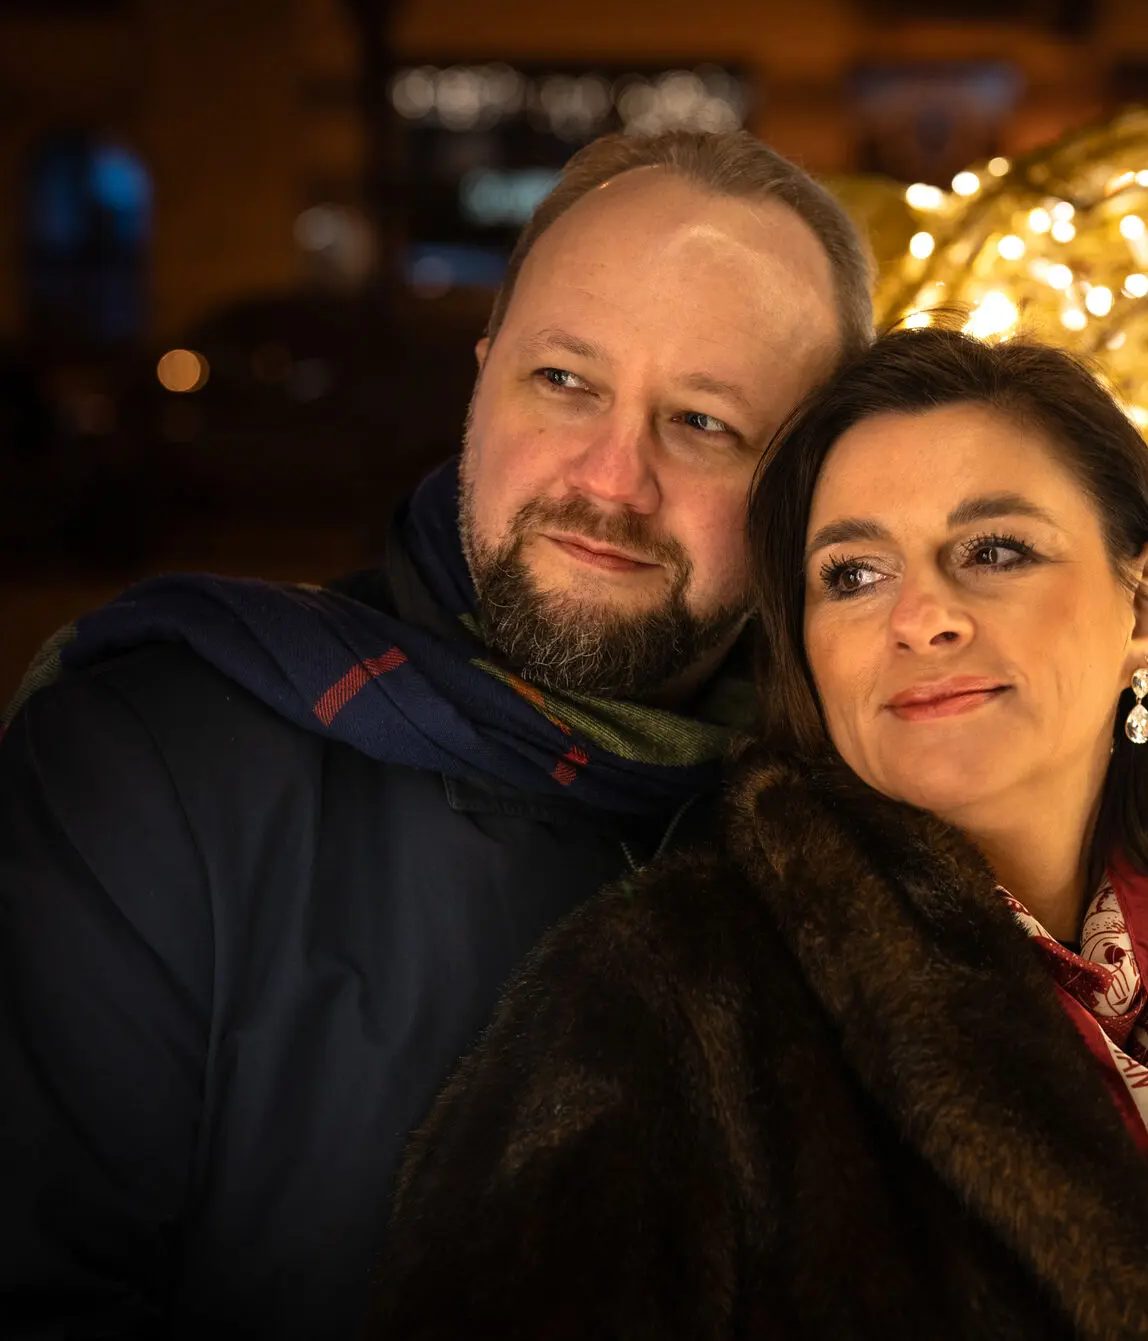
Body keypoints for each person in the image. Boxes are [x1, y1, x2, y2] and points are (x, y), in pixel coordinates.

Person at [0, 130, 871, 1338]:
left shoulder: (870, 833)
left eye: (704, 422)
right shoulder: (144, 768)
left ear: (813, 489)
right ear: (480, 379)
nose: (609, 480)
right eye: (563, 381)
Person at [367, 328, 1148, 1340]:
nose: (919, 618)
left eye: (994, 551)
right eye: (853, 574)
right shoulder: (668, 997)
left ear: (1146, 607)